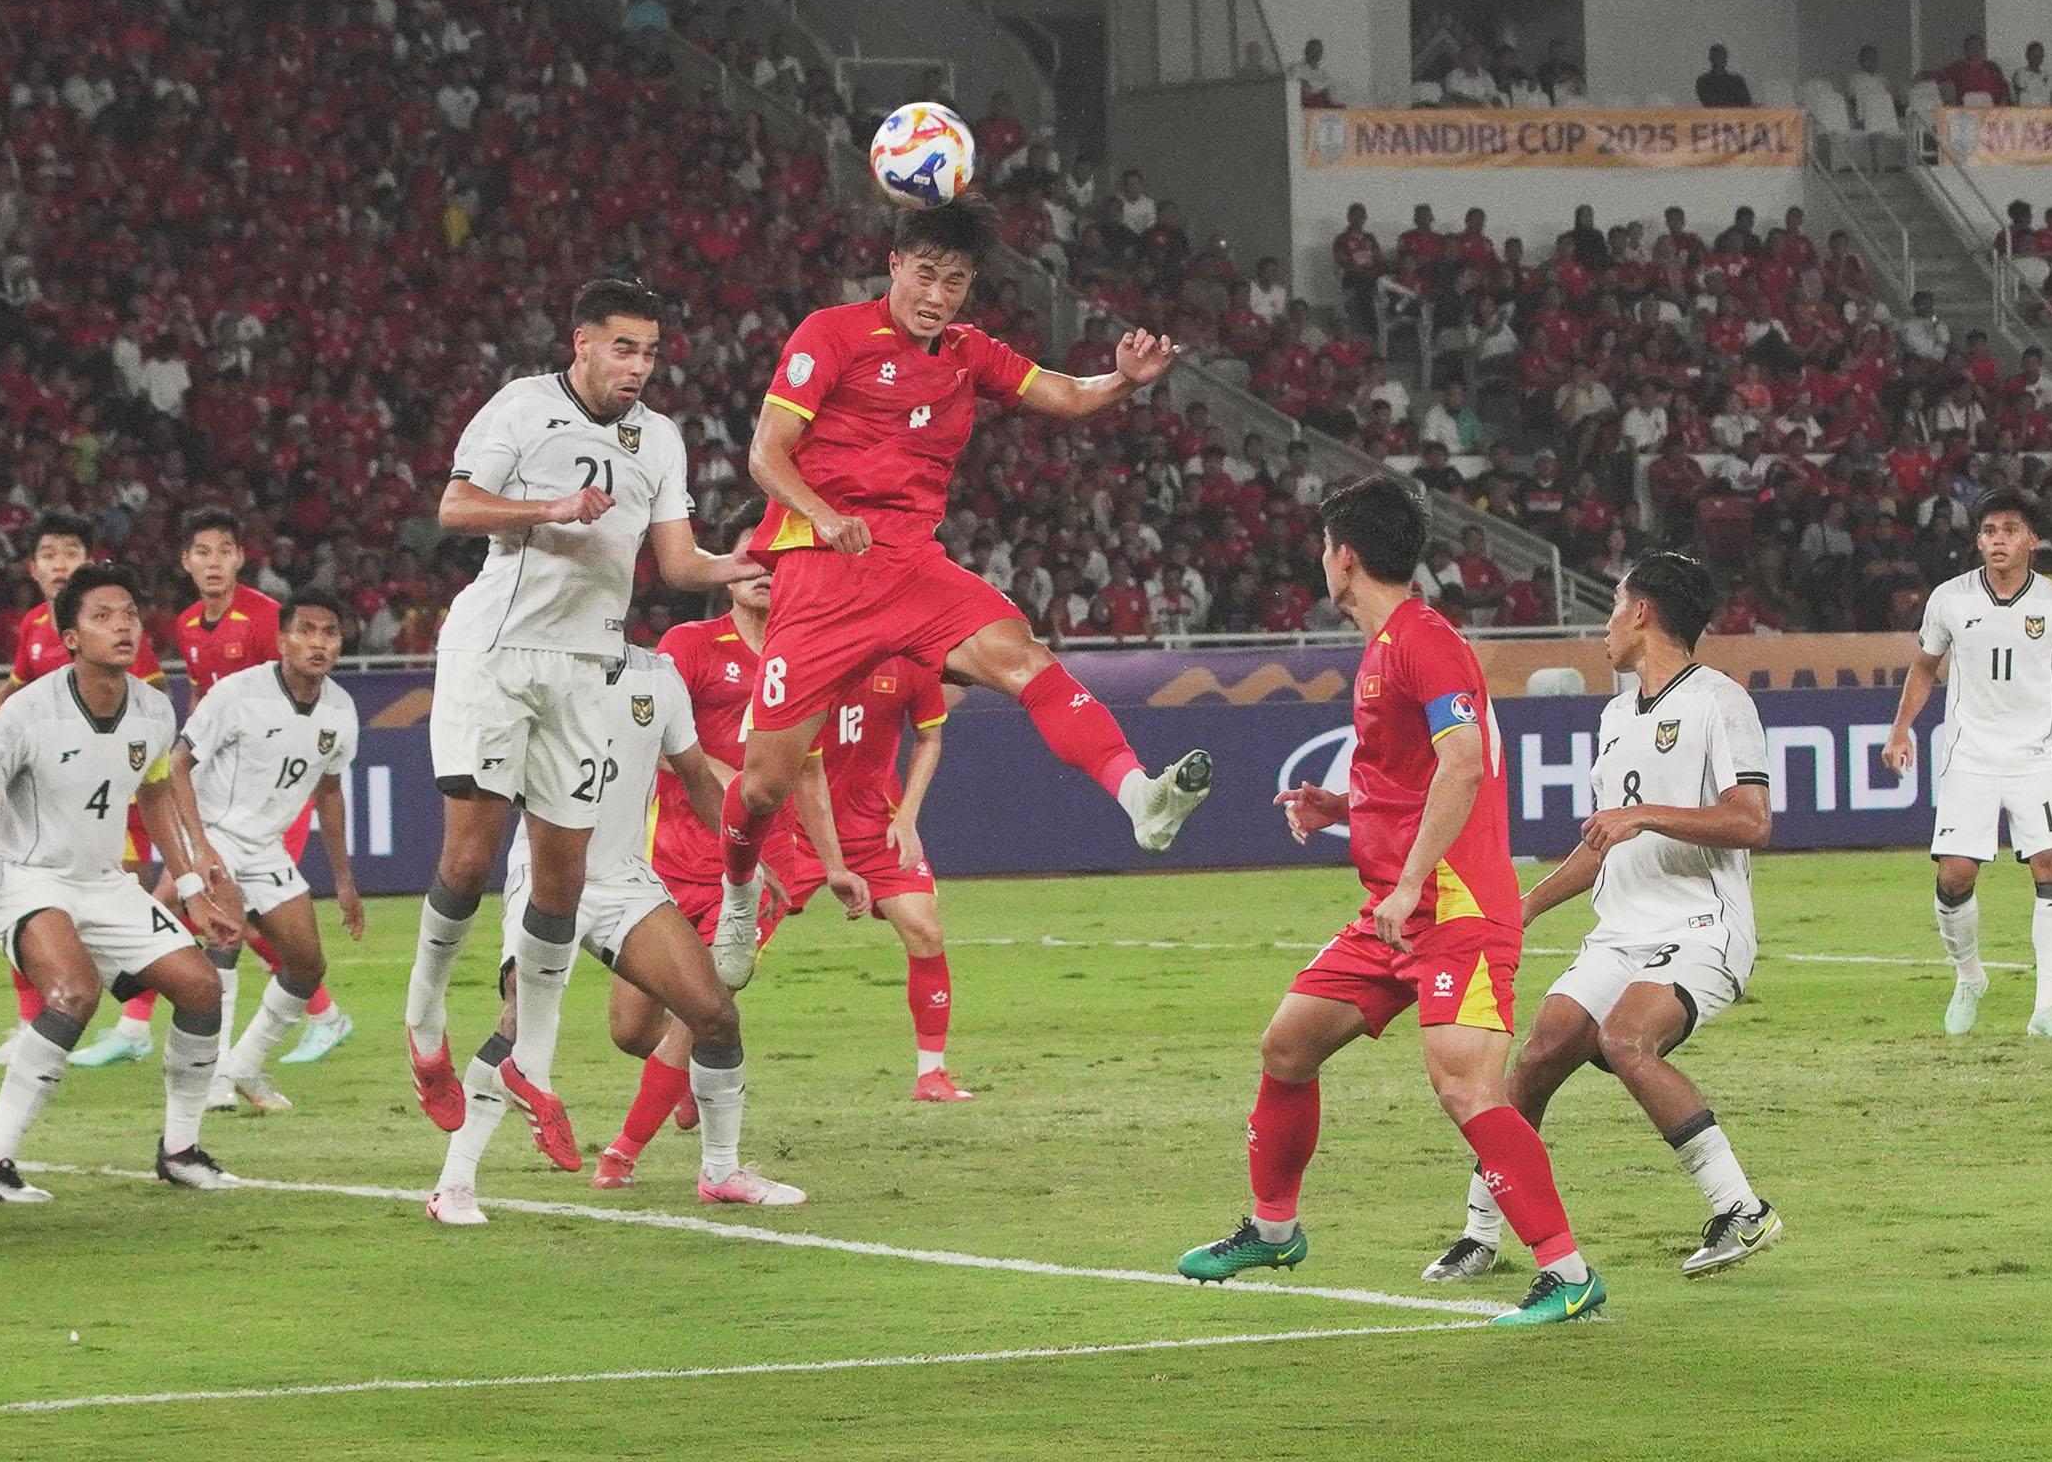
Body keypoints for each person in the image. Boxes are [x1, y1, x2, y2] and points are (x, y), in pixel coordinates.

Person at [712, 200, 1213, 989]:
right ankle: (738, 894)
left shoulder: (968, 353)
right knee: (765, 784)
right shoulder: (831, 333)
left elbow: (1068, 395)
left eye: (955, 281)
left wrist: (1125, 379)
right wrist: (823, 514)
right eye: (926, 274)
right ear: (894, 267)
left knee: (1026, 658)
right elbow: (765, 455)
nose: (937, 294)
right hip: (822, 574)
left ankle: (1138, 797)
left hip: (913, 569)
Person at [1180, 475, 1604, 1327]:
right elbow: (1418, 778)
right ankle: (1273, 1227)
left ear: (1344, 556)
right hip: (1394, 914)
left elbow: (1462, 765)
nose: (1319, 562)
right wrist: (1341, 808)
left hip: (1455, 912)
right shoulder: (1388, 646)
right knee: (1288, 1046)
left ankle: (1569, 1274)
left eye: (1322, 548)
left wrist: (1412, 880)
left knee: (1468, 1091)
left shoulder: (1424, 642)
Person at [404, 280, 756, 1156]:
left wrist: (756, 560)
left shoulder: (660, 439)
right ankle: (423, 1026)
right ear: (583, 345)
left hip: (585, 669)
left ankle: (535, 1067)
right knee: (469, 856)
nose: (639, 367)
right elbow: (454, 507)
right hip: (496, 653)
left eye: (651, 353)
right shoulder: (522, 409)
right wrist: (550, 510)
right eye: (624, 348)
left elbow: (674, 563)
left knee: (561, 876)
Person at [1427, 554, 1783, 1285]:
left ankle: (1742, 1209)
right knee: (1539, 1054)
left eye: (1616, 604)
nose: (1608, 624)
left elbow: (1751, 822)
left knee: (1626, 1040)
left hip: (1700, 927)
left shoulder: (1721, 701)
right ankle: (1480, 1232)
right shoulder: (1616, 714)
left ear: (1645, 612)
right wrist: (1523, 908)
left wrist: (1644, 814)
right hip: (1618, 932)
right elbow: (1603, 844)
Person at [428, 649, 802, 1222]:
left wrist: (743, 861)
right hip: (547, 870)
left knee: (714, 1015)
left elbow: (700, 779)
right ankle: (453, 1186)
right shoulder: (537, 670)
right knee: (519, 1018)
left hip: (623, 878)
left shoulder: (659, 676)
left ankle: (721, 1172)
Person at [0, 563, 240, 1202]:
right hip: (22, 877)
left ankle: (181, 1151)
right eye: (102, 616)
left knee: (201, 988)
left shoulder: (154, 710)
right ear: (71, 637)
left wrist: (191, 891)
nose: (122, 625)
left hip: (100, 881)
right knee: (73, 993)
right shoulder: (27, 712)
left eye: (129, 613)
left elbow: (156, 796)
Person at [598, 564, 846, 1186]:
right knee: (631, 1031)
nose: (764, 575)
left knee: (703, 1010)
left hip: (757, 865)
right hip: (669, 859)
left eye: (778, 567)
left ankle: (622, 1153)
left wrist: (836, 865)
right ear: (728, 577)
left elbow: (810, 772)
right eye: (750, 563)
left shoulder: (809, 659)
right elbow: (649, 733)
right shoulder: (690, 645)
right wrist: (734, 784)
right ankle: (686, 1071)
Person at [0, 513, 171, 1068]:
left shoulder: (116, 632)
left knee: (128, 913)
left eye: (72, 551)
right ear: (33, 568)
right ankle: (32, 1025)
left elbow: (146, 717)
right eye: (49, 553)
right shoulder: (36, 626)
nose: (61, 562)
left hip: (115, 799)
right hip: (49, 795)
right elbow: (15, 693)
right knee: (28, 905)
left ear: (87, 561)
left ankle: (134, 1026)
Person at [1883, 491, 2052, 1036]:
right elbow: (1924, 668)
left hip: (2036, 760)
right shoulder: (1950, 599)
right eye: (1989, 530)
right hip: (1969, 757)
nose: (1997, 539)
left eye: (2010, 529)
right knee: (1955, 876)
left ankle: (2047, 1009)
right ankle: (1969, 977)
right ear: (1979, 540)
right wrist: (1900, 730)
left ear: (2030, 541)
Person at [170, 591, 366, 1113]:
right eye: (306, 630)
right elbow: (177, 765)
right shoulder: (237, 694)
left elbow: (328, 791)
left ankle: (244, 1066)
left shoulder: (341, 711)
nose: (318, 643)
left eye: (330, 633)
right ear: (282, 640)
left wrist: (344, 880)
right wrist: (201, 845)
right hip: (212, 831)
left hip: (265, 847)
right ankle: (208, 1077)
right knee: (226, 942)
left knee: (307, 965)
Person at [810, 654, 971, 1102]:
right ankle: (693, 1057)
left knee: (925, 930)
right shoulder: (811, 650)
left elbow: (929, 738)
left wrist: (907, 816)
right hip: (796, 826)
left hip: (875, 827)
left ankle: (931, 1075)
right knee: (734, 956)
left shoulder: (909, 662)